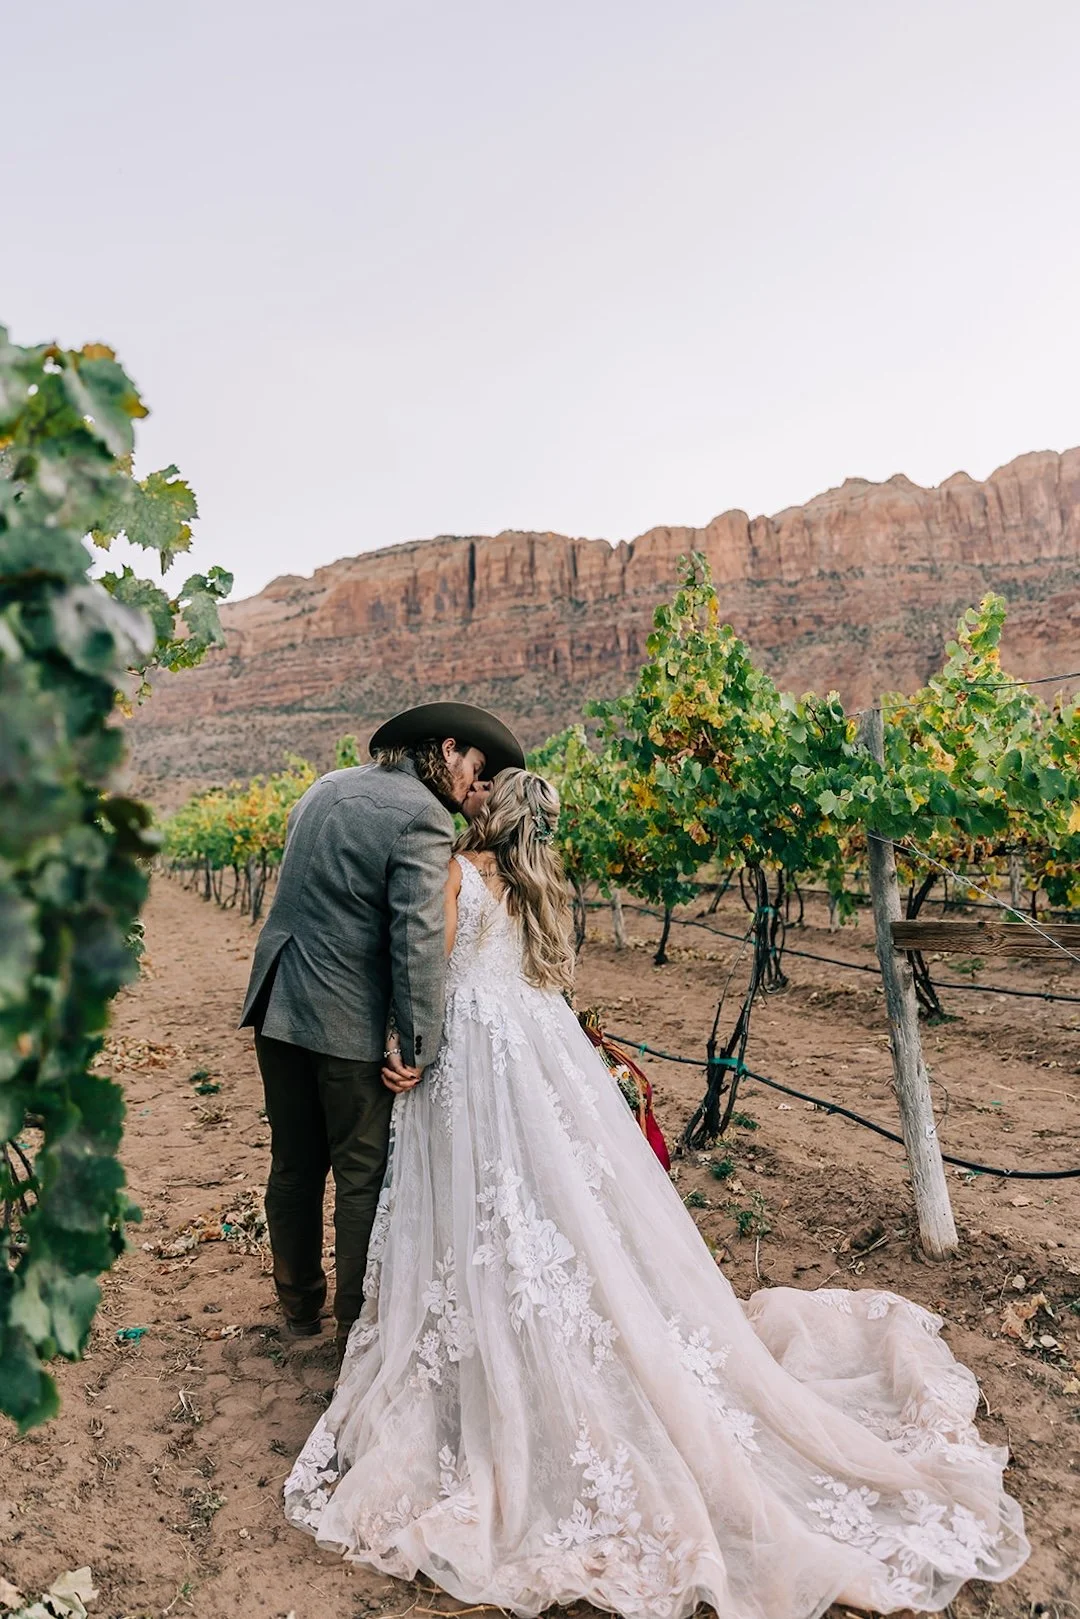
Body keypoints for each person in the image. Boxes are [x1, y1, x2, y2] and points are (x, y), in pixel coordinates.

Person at [283, 769, 1028, 1619]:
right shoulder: (538, 886)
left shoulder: (455, 871)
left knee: (482, 1213)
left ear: (489, 814)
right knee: (553, 1207)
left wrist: (405, 1043)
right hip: (534, 1045)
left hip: (472, 1057)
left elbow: (430, 967)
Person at [239, 702, 524, 1362]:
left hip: (278, 1002)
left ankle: (298, 1303)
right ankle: (353, 1328)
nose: (469, 788)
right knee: (361, 1176)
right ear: (447, 748)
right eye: (473, 768)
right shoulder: (421, 816)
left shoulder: (327, 786)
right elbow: (416, 940)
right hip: (344, 1019)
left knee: (294, 1162)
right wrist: (415, 1045)